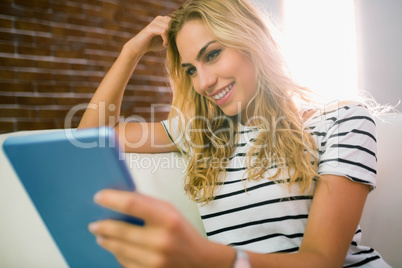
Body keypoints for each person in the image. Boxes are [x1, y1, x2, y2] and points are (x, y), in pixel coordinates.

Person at [79, 0, 390, 267]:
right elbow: (89, 141)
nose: (202, 82)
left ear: (251, 40)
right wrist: (129, 52)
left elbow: (322, 261)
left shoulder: (342, 121)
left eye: (212, 55)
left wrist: (204, 257)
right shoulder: (200, 133)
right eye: (190, 69)